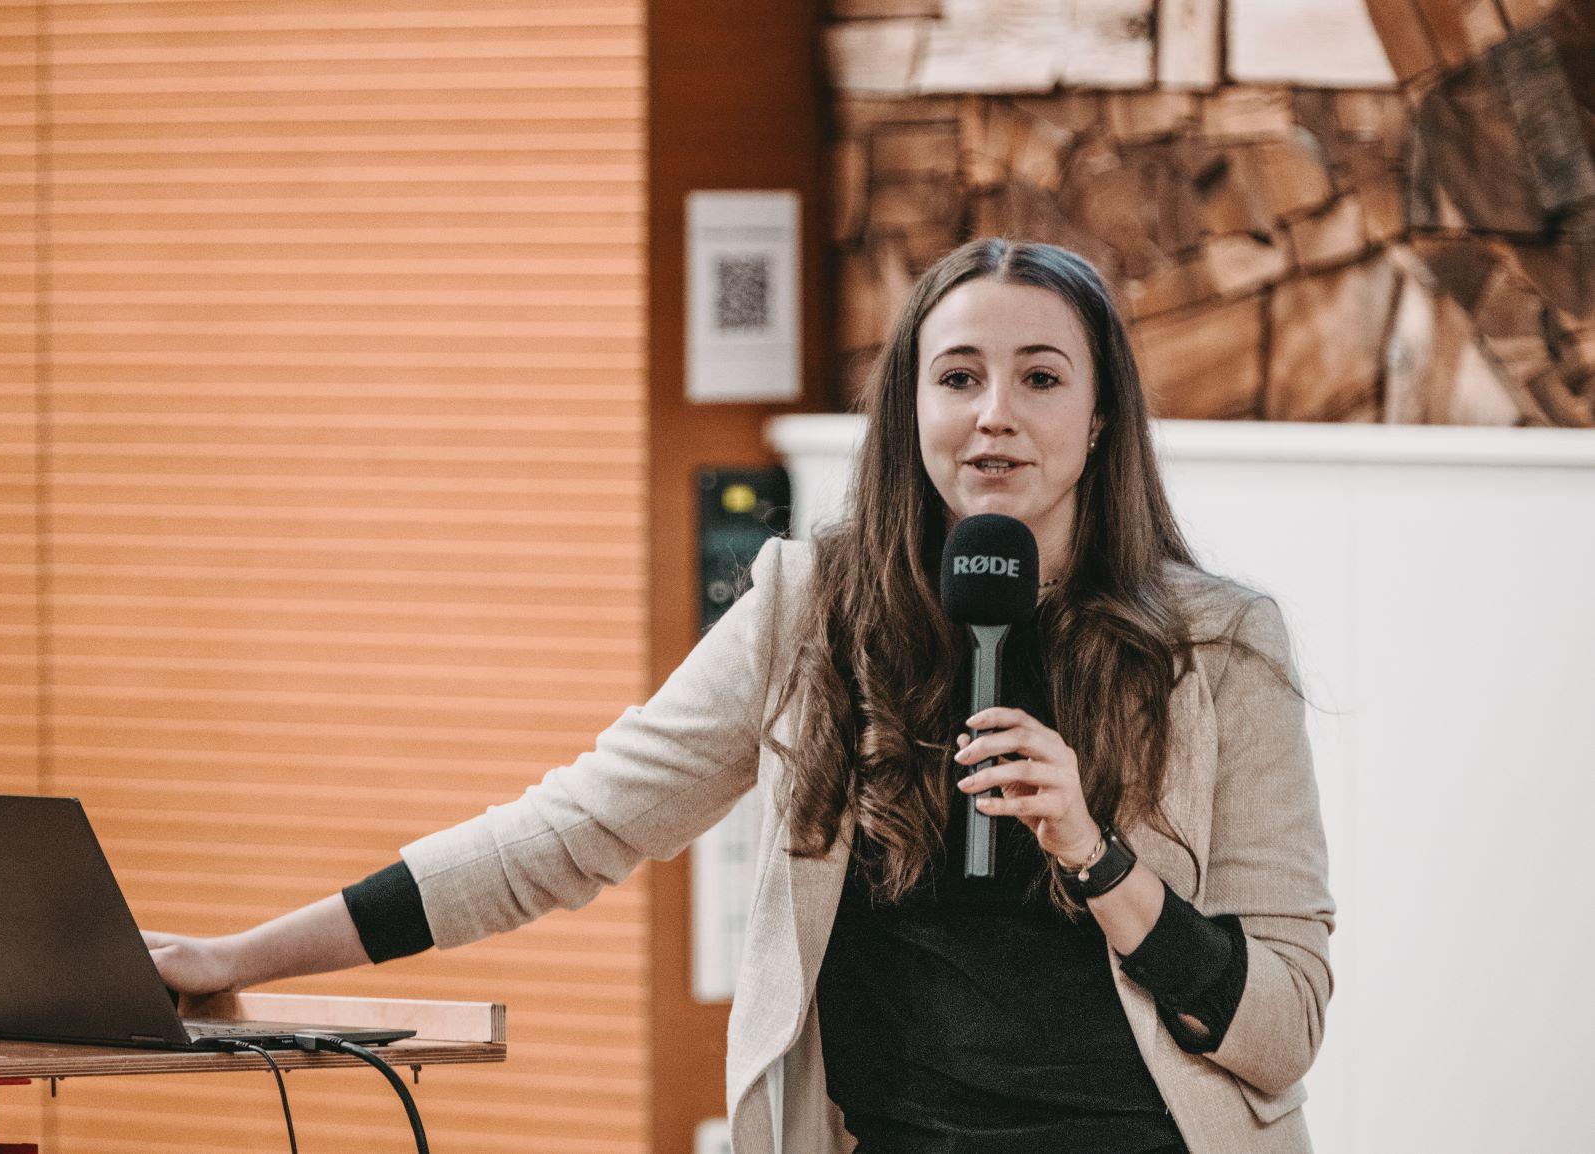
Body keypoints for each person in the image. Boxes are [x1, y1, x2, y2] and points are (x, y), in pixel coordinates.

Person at [146, 238, 1334, 1154]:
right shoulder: (808, 609)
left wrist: (1099, 859)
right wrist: (239, 951)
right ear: (909, 410)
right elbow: (568, 830)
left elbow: (1281, 1026)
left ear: (1098, 416)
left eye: (1038, 376)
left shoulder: (1219, 647)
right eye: (957, 375)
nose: (993, 414)